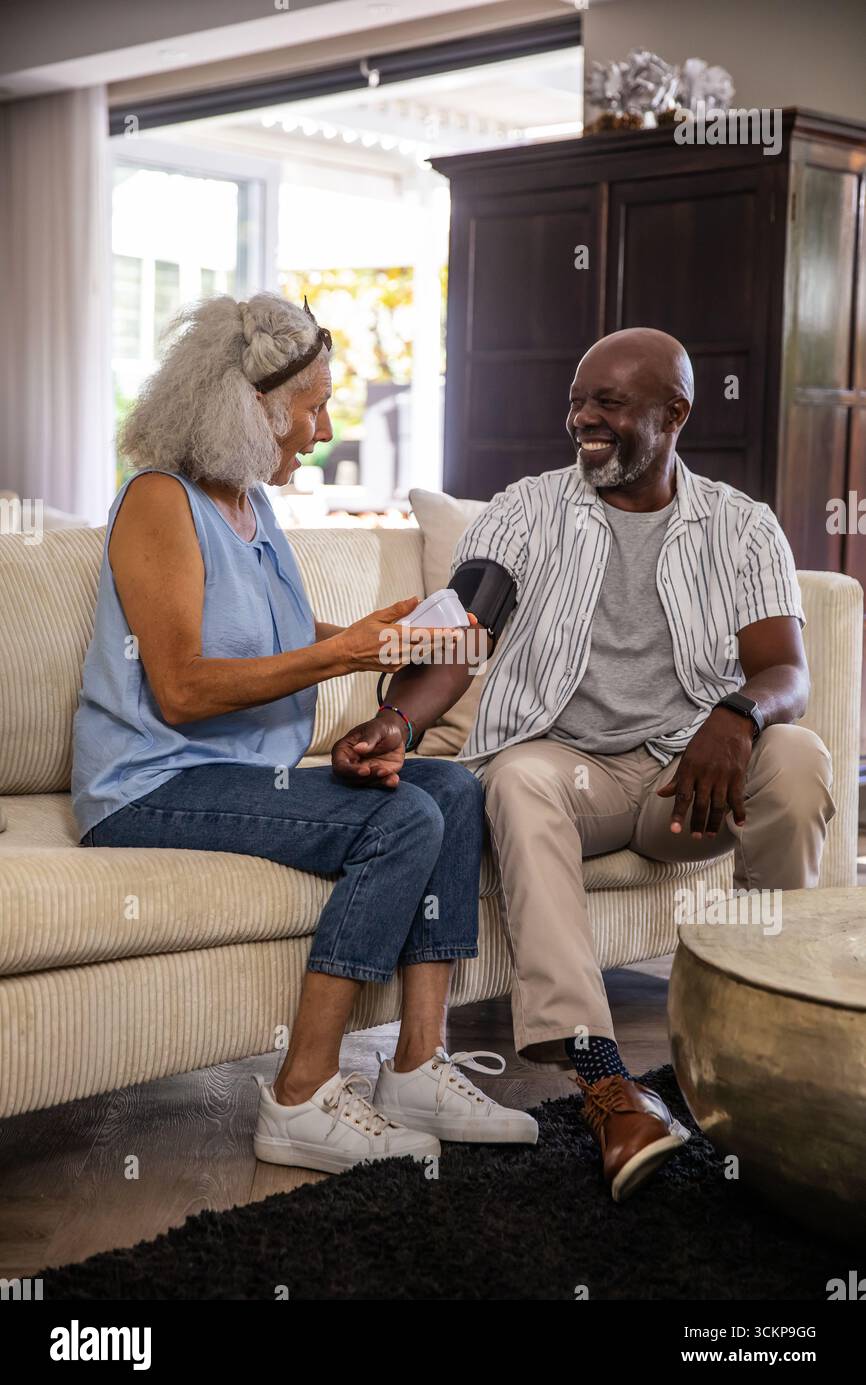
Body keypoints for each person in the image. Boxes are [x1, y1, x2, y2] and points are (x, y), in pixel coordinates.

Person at [332, 327, 835, 1200]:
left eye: (608, 403)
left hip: (688, 782)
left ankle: (781, 1029)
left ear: (674, 414)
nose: (582, 420)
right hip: (572, 774)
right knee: (523, 776)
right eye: (576, 401)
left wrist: (739, 714)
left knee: (795, 757)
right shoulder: (526, 510)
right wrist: (397, 724)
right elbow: (466, 631)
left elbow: (786, 670)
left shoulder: (742, 527)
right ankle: (607, 1085)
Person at [72, 291, 537, 1176]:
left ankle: (416, 1068)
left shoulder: (253, 504)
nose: (322, 429)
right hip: (151, 784)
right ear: (245, 410)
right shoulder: (159, 503)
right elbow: (180, 687)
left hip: (241, 776)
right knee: (401, 819)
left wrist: (381, 636)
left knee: (450, 786)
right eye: (311, 406)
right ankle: (300, 1096)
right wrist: (345, 658)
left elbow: (282, 638)